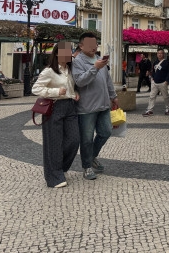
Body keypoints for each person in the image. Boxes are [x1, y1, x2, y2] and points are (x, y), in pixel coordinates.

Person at [31, 42, 80, 188]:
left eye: (70, 51)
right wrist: (55, 91)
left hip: (70, 107)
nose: (69, 54)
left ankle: (60, 168)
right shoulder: (49, 71)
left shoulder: (69, 69)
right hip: (54, 106)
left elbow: (71, 87)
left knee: (74, 140)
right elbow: (35, 89)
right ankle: (54, 177)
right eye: (66, 51)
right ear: (57, 53)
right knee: (54, 143)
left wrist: (74, 93)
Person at [72, 32, 118, 181]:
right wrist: (95, 68)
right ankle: (87, 167)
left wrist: (113, 96)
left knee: (106, 132)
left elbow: (107, 80)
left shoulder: (99, 59)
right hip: (87, 108)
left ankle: (91, 157)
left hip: (103, 105)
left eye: (96, 44)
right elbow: (79, 81)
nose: (94, 47)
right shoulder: (77, 62)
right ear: (81, 45)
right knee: (86, 139)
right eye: (90, 44)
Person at [143, 48, 169, 116]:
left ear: (163, 54)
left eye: (161, 53)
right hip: (155, 82)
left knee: (165, 96)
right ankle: (150, 110)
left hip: (163, 82)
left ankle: (167, 108)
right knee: (152, 96)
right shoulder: (155, 62)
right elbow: (153, 71)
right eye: (158, 53)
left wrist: (167, 80)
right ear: (157, 54)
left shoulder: (166, 62)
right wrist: (152, 77)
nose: (159, 54)